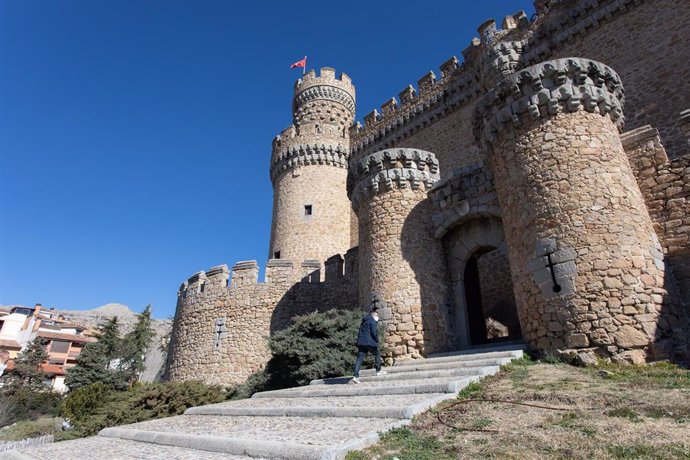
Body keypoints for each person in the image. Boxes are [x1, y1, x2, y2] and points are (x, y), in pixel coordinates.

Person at [351, 306, 386, 384]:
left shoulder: (363, 321)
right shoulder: (372, 321)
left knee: (359, 359)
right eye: (377, 316)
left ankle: (355, 376)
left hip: (361, 343)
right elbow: (374, 332)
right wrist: (377, 340)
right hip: (370, 342)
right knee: (377, 354)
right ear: (373, 315)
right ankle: (378, 371)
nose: (378, 318)